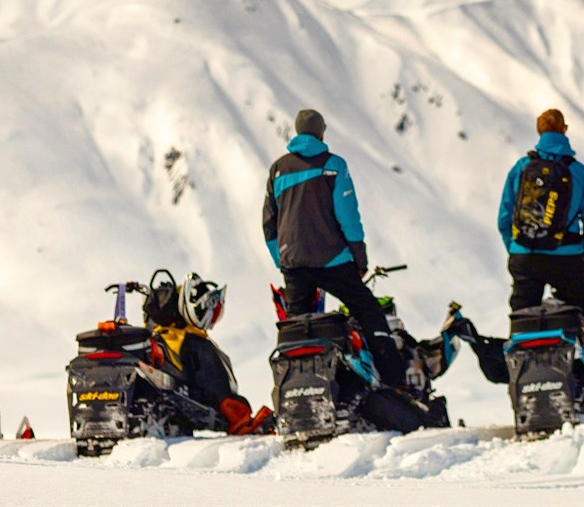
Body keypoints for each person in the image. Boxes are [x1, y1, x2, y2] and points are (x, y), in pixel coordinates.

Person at [262, 109, 409, 389]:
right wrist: (359, 256)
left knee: (297, 328)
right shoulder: (334, 165)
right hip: (333, 261)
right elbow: (348, 216)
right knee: (368, 311)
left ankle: (296, 388)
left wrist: (282, 260)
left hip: (294, 265)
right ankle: (394, 382)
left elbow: (268, 222)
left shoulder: (278, 169)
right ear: (321, 132)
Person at [496, 108, 584, 386]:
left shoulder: (520, 169)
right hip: (566, 260)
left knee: (520, 322)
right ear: (565, 130)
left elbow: (504, 218)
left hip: (524, 259)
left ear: (538, 132)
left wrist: (516, 249)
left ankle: (518, 384)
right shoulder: (578, 172)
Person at [143, 273, 270, 435]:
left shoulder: (158, 337)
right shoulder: (198, 344)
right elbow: (219, 390)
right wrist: (243, 419)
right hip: (185, 404)